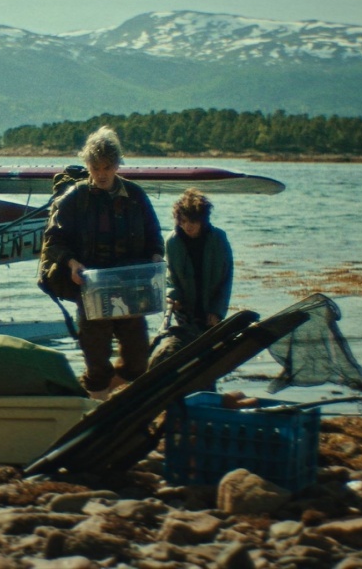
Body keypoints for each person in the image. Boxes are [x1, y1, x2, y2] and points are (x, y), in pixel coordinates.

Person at [41, 126, 164, 400]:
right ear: (88, 166)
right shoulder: (75, 198)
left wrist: (156, 257)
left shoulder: (136, 196)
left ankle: (104, 394)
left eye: (107, 167)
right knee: (96, 363)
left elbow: (154, 235)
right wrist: (71, 263)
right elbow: (53, 239)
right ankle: (96, 408)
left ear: (117, 165)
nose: (101, 174)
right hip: (92, 289)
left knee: (138, 362)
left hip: (130, 287)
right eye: (96, 167)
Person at [148, 188, 233, 370]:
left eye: (193, 221)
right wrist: (172, 295)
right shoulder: (172, 241)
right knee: (187, 356)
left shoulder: (218, 238)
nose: (188, 226)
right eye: (183, 221)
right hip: (184, 310)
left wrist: (217, 311)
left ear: (203, 220)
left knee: (210, 359)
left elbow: (226, 278)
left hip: (211, 308)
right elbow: (170, 276)